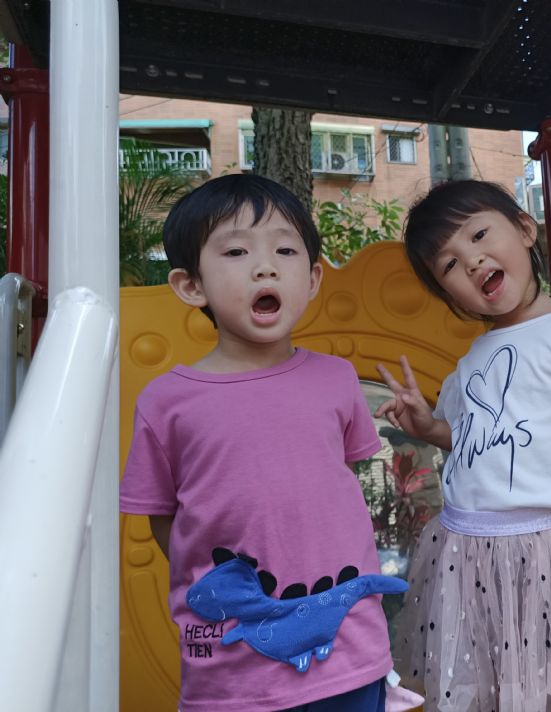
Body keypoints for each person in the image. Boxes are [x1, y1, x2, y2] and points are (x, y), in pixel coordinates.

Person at [119, 174, 405, 712]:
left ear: (313, 278)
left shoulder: (337, 379)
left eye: (285, 250)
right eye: (236, 251)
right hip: (231, 667)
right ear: (191, 285)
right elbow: (164, 521)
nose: (266, 267)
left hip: (350, 653)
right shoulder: (167, 401)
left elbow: (342, 484)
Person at [374, 180, 551, 711]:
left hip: (542, 555)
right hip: (462, 555)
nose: (472, 261)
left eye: (479, 235)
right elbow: (481, 439)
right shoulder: (473, 359)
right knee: (485, 693)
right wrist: (430, 429)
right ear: (448, 295)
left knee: (547, 695)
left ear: (525, 230)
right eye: (449, 264)